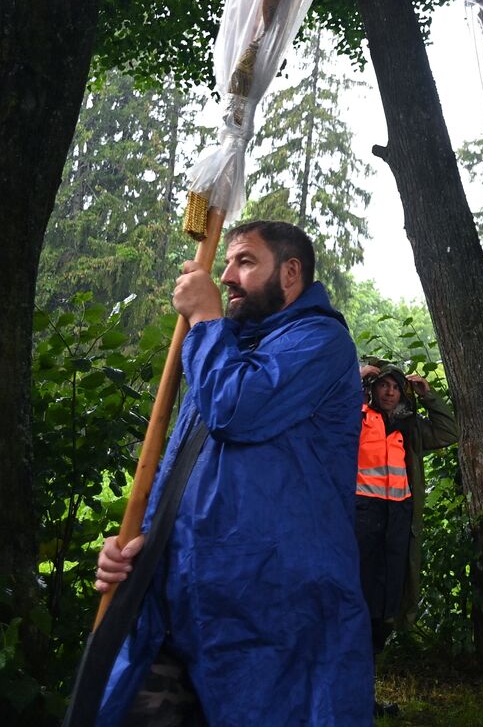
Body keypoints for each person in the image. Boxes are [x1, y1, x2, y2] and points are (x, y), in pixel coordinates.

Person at [92, 221, 370, 724]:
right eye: (228, 263)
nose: (226, 276)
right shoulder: (222, 350)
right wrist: (140, 546)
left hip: (271, 618)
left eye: (244, 261)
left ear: (290, 273)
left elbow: (237, 409)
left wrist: (203, 319)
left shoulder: (320, 343)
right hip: (182, 605)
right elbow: (189, 474)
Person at [355, 361, 458, 711]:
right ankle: (352, 695)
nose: (389, 392)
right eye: (383, 385)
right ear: (372, 388)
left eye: (396, 387)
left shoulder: (408, 427)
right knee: (357, 606)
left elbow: (448, 431)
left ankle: (365, 696)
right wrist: (357, 377)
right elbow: (327, 412)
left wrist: (429, 395)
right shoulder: (356, 417)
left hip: (398, 522)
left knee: (387, 608)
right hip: (362, 521)